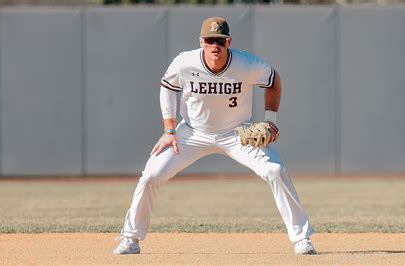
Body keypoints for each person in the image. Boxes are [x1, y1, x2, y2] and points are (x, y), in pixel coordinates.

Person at [113, 17, 316, 255]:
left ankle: (301, 238)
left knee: (275, 171)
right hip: (192, 133)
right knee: (151, 175)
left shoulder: (247, 64)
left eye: (220, 40)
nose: (215, 45)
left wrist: (270, 122)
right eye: (210, 40)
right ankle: (131, 238)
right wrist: (169, 130)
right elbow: (167, 86)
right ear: (202, 42)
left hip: (237, 133)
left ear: (228, 41)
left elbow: (273, 80)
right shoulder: (185, 62)